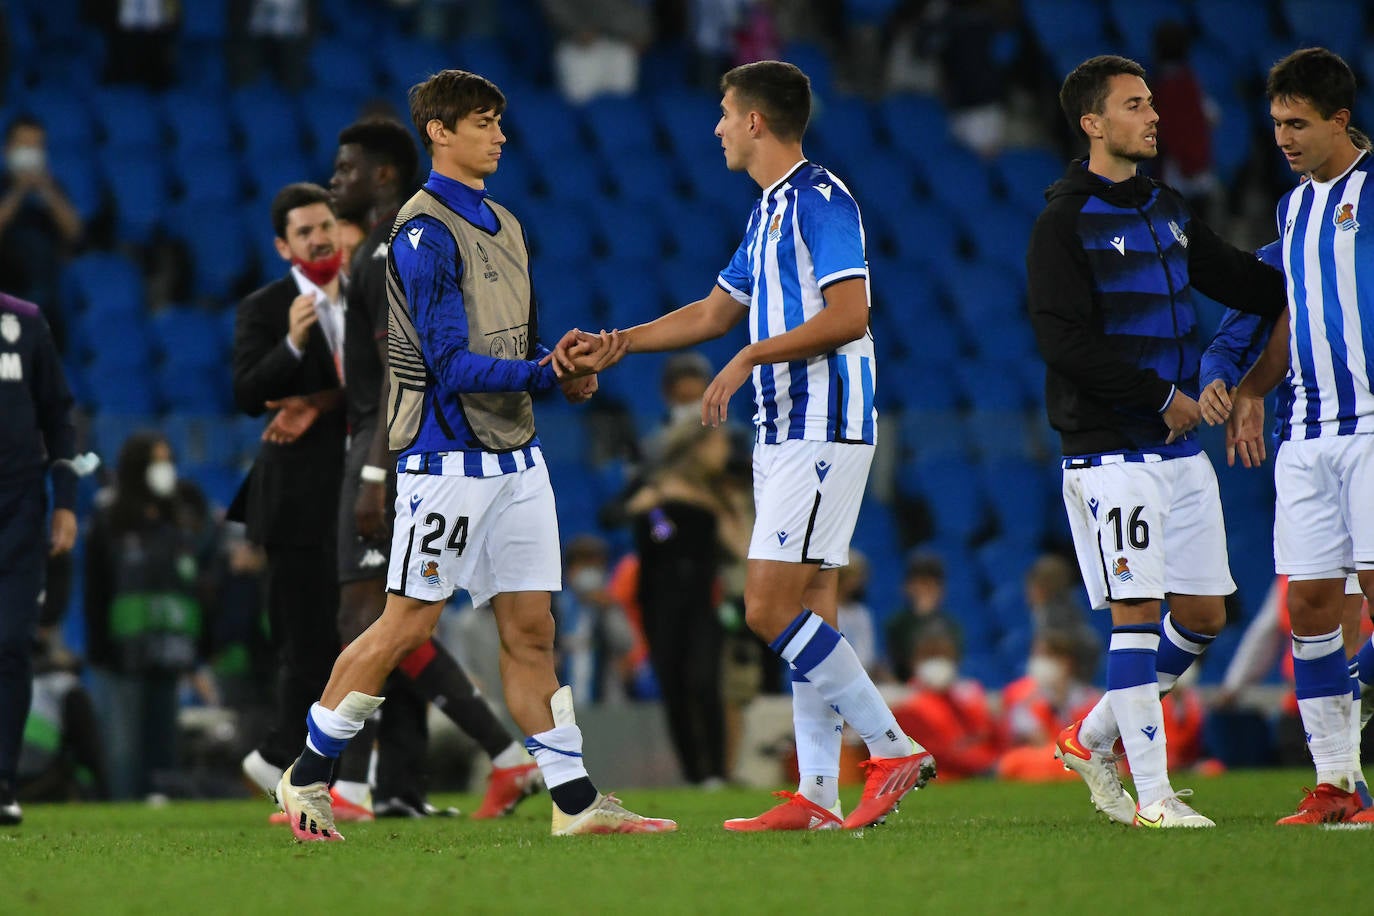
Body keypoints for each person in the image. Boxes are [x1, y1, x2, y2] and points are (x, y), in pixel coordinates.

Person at [273, 69, 674, 842]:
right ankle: (309, 775)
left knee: (532, 630)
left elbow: (516, 342)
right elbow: (449, 365)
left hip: (516, 457)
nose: (499, 136)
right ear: (440, 132)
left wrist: (565, 372)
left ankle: (576, 803)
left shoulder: (509, 225)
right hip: (445, 460)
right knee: (405, 628)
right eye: (484, 122)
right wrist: (541, 373)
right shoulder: (420, 235)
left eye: (499, 122)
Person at [561, 60, 935, 831]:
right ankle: (819, 796)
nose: (718, 127)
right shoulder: (768, 212)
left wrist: (750, 358)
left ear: (757, 121)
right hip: (789, 427)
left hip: (820, 423)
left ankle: (893, 750)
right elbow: (711, 312)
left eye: (726, 114)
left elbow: (850, 314)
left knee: (767, 608)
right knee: (809, 606)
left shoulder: (822, 200)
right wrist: (618, 344)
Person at [1026, 55, 1286, 828]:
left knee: (1203, 613)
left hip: (1176, 451)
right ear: (1093, 124)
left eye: (1151, 104)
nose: (1154, 116)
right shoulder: (1062, 222)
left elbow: (1251, 285)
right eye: (1136, 106)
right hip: (1112, 450)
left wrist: (1318, 272)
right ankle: (1156, 799)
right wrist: (1160, 397)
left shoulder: (1167, 209)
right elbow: (1062, 343)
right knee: (1136, 611)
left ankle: (1092, 736)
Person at [321, 117, 544, 822]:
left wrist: (376, 473)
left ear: (384, 175)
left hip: (395, 447)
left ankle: (339, 780)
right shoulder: (382, 249)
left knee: (379, 616)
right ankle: (382, 786)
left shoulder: (396, 247)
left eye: (347, 168)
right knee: (393, 618)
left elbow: (404, 368)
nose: (336, 182)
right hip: (382, 440)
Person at [1225, 48, 1374, 825]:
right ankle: (1338, 786)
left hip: (1372, 422)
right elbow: (1295, 310)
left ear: (1340, 119)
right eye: (1277, 123)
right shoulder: (1292, 209)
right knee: (1310, 605)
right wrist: (1254, 385)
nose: (1283, 137)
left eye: (1299, 123)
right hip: (1307, 430)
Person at [231, 183, 348, 811]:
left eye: (324, 225)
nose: (318, 237)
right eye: (304, 232)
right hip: (296, 499)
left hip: (365, 491)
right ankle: (291, 767)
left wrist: (320, 400)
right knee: (306, 644)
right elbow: (247, 393)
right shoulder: (267, 307)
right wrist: (294, 345)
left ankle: (305, 767)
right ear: (284, 246)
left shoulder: (370, 297)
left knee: (356, 637)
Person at [83, 432, 207, 800]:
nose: (165, 469)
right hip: (123, 651)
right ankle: (122, 807)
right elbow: (96, 589)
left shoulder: (176, 524)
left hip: (170, 648)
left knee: (163, 738)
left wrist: (194, 646)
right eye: (157, 461)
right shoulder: (110, 522)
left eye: (168, 460)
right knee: (124, 744)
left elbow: (190, 587)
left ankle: (161, 802)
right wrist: (99, 647)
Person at [626, 419, 748, 787]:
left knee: (703, 678)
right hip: (658, 598)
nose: (725, 452)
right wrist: (649, 504)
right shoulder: (656, 485)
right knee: (673, 684)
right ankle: (694, 774)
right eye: (719, 444)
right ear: (698, 446)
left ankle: (716, 772)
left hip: (702, 597)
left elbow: (742, 548)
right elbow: (617, 513)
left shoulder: (720, 493)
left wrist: (731, 511)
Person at [0, 291, 78, 825]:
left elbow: (59, 416)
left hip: (19, 513)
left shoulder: (25, 320)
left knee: (10, 645)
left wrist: (66, 503)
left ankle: (3, 781)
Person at [0, 117, 83, 332]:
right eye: (24, 146)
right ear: (8, 149)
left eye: (37, 146)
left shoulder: (53, 189)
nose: (31, 152)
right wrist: (19, 191)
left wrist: (46, 190)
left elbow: (74, 231)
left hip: (46, 297)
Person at [884, 549, 959, 684]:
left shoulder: (950, 624)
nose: (924, 590)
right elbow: (900, 662)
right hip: (905, 687)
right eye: (920, 583)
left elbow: (953, 661)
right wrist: (922, 617)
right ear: (907, 587)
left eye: (930, 585)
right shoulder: (897, 623)